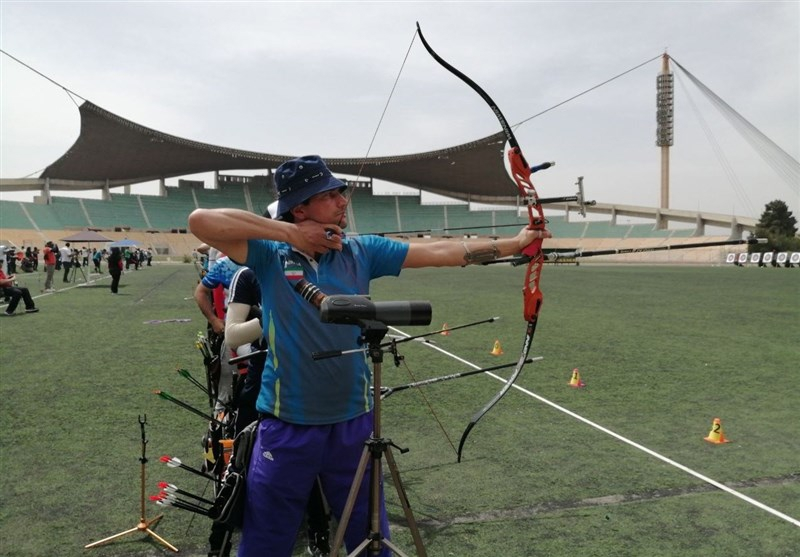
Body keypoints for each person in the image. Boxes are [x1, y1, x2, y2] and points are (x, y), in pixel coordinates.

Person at [188, 155, 549, 557]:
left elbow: (444, 250)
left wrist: (515, 245)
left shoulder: (360, 251)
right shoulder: (268, 254)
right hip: (287, 424)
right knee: (266, 542)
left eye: (340, 192)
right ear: (301, 207)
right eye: (328, 195)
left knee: (370, 538)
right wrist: (291, 235)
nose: (343, 201)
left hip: (354, 423)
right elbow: (201, 221)